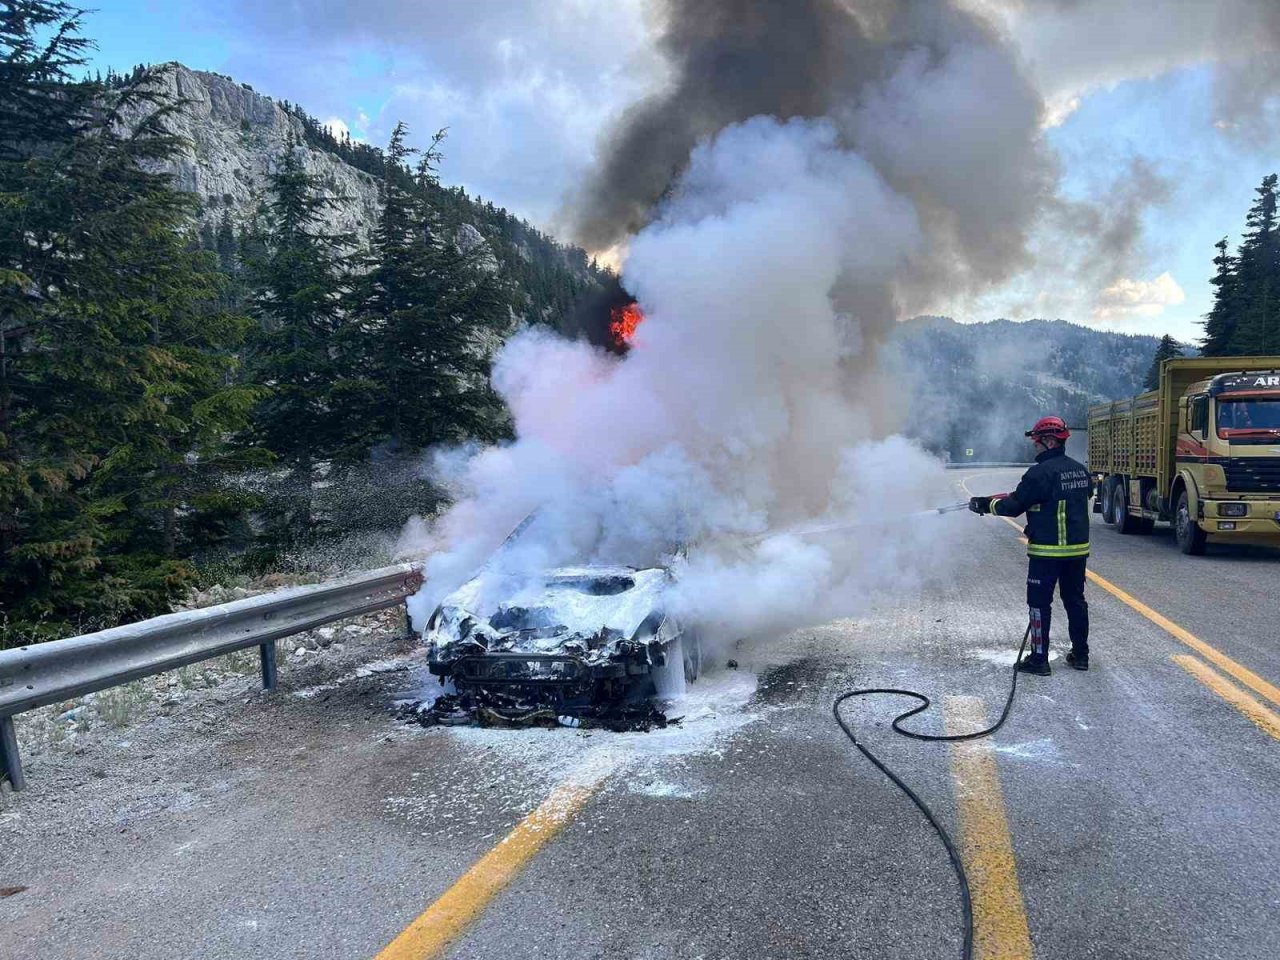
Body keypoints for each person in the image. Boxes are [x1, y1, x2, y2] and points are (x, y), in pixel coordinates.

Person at [969, 416, 1093, 675]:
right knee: (1075, 601)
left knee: (1039, 605)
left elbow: (1013, 506)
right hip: (1077, 551)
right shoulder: (1080, 470)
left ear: (1049, 441)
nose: (1034, 447)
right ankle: (1081, 656)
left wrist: (985, 505)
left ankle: (1039, 660)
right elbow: (1070, 496)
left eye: (1037, 442)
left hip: (1047, 552)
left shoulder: (1039, 473)